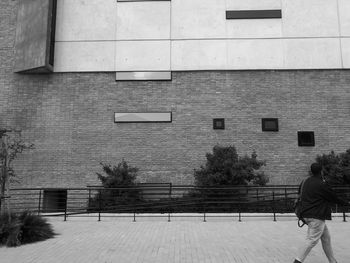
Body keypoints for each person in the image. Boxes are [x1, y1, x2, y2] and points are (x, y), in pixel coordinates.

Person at [293, 163, 349, 263]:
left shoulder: (305, 181)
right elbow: (333, 197)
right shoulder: (322, 184)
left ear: (311, 171)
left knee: (326, 238)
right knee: (311, 240)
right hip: (316, 216)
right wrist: (346, 203)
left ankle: (333, 261)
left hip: (305, 214)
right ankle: (297, 261)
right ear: (321, 171)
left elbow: (300, 194)